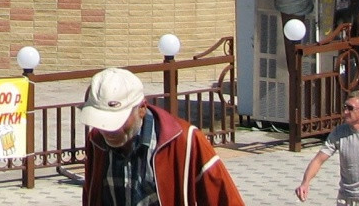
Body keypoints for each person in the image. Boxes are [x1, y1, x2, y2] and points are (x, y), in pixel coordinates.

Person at [80, 67, 243, 206]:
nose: (109, 130)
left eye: (117, 121)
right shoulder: (96, 141)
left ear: (142, 109)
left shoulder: (185, 141)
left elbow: (225, 199)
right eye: (102, 121)